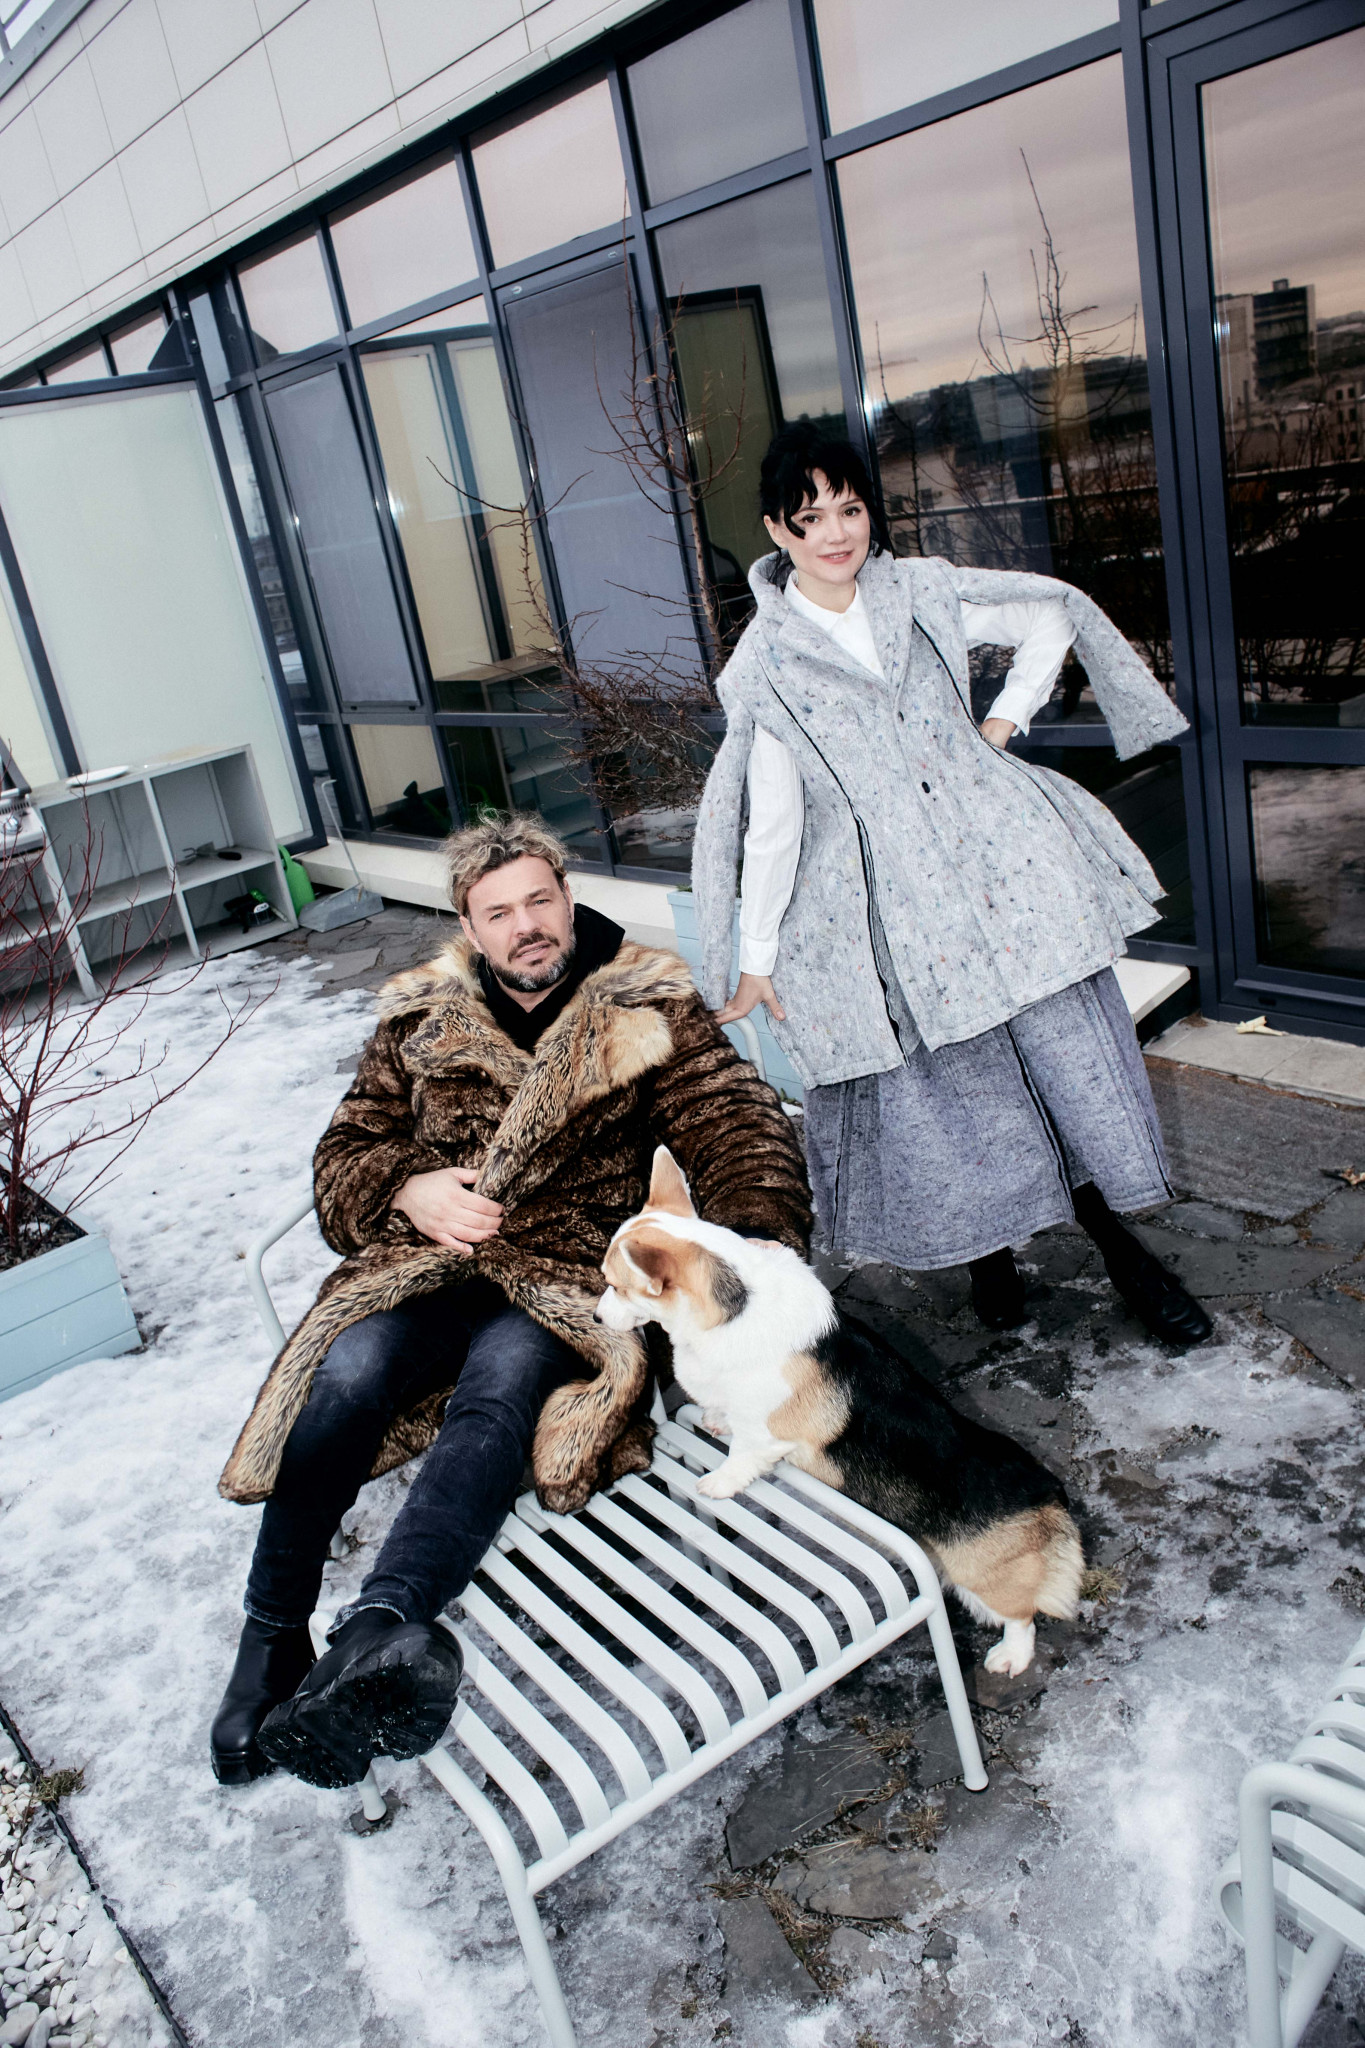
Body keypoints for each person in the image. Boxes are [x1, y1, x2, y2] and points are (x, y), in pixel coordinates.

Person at [211, 814, 809, 1791]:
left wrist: (754, 1239)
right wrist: (408, 1186)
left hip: (567, 1279)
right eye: (499, 912)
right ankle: (272, 1633)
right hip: (434, 1264)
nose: (525, 925)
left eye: (539, 900)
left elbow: (732, 1120)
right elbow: (346, 1152)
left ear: (568, 900)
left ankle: (378, 1629)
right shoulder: (419, 1016)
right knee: (349, 1366)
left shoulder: (646, 1000)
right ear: (468, 924)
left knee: (504, 1379)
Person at [693, 423, 1211, 1348]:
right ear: (776, 531)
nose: (836, 534)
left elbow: (1050, 612)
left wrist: (1001, 722)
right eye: (810, 519)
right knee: (955, 1094)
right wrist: (757, 955)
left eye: (849, 509)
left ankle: (1126, 1257)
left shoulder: (921, 591)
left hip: (996, 880)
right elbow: (773, 822)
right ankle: (988, 1257)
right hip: (888, 913)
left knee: (1060, 1072)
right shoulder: (762, 666)